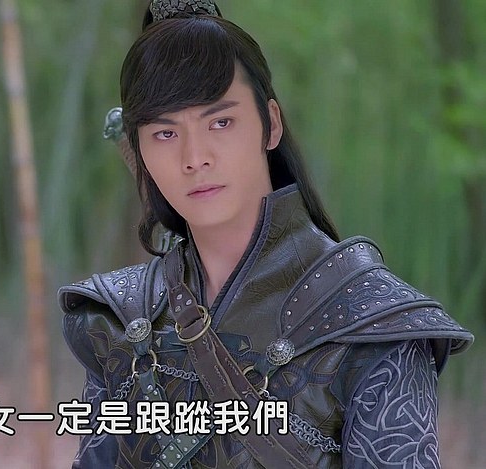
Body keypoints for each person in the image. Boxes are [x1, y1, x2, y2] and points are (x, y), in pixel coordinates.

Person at [59, 1, 474, 468]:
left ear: (270, 125)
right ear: (139, 151)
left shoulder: (370, 325)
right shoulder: (121, 317)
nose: (195, 157)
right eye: (165, 133)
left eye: (220, 122)